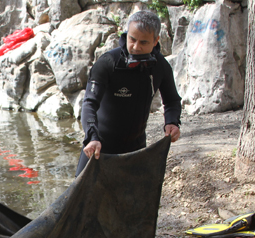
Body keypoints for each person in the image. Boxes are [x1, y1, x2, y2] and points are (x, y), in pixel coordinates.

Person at [76, 10, 182, 176]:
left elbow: (172, 101)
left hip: (135, 149)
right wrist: (92, 136)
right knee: (81, 201)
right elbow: (89, 103)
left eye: (143, 42)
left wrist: (172, 121)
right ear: (126, 35)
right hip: (98, 147)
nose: (135, 47)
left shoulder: (160, 66)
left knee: (132, 200)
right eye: (132, 39)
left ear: (156, 41)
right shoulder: (108, 63)